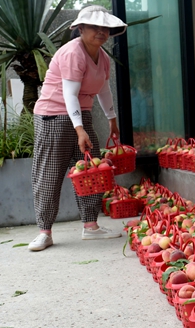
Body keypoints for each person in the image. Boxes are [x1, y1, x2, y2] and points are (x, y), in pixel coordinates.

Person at [28, 6, 128, 251]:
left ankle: (91, 226)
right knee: (50, 174)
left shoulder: (102, 57)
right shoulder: (73, 53)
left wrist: (112, 119)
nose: (101, 32)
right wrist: (79, 129)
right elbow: (69, 95)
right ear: (81, 29)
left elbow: (103, 90)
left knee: (92, 170)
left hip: (80, 116)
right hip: (53, 116)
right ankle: (44, 231)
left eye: (105, 28)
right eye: (95, 27)